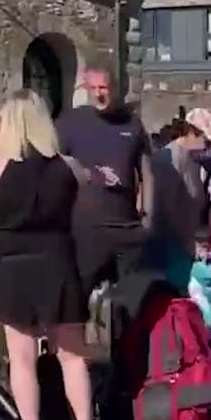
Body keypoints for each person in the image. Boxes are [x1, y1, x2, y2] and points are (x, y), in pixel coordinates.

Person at [0, 91, 101, 420]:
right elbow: (86, 214)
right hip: (58, 262)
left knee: (22, 359)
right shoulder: (70, 167)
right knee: (73, 356)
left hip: (11, 266)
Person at [55, 64, 155, 292]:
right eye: (93, 88)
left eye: (104, 87)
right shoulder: (70, 122)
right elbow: (57, 166)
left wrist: (149, 218)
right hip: (87, 229)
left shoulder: (131, 123)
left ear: (115, 88)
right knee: (80, 299)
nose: (99, 93)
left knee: (134, 299)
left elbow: (147, 172)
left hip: (127, 227)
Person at [149, 116, 211, 291]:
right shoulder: (170, 159)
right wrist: (186, 242)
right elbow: (167, 207)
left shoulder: (187, 158)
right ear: (192, 133)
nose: (208, 144)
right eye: (205, 138)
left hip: (182, 243)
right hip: (172, 245)